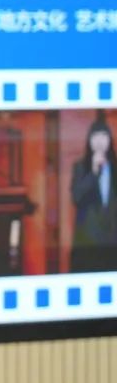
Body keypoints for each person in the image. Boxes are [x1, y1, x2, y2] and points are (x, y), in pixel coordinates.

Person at [70, 112, 117, 273]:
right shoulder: (80, 167)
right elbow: (76, 198)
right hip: (87, 243)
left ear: (109, 140)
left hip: (112, 244)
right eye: (95, 137)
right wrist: (94, 173)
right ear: (89, 141)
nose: (99, 141)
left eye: (104, 136)